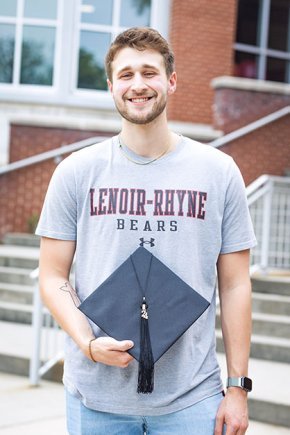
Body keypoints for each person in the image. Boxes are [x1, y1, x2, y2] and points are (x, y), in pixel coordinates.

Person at [36, 27, 256, 434]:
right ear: (111, 85)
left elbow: (236, 284)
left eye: (150, 72)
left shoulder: (218, 172)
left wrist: (237, 388)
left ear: (171, 81)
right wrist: (86, 342)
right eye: (126, 75)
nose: (138, 85)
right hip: (95, 399)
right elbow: (51, 275)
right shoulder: (76, 172)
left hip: (192, 398)